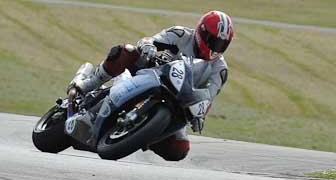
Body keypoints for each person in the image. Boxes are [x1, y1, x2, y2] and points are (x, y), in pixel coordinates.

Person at [68, 10, 234, 161]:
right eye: (213, 41)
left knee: (179, 149)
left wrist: (200, 115)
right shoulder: (181, 34)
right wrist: (149, 46)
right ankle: (87, 84)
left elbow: (208, 96)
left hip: (179, 100)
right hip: (151, 72)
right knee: (125, 51)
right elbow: (151, 40)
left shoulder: (220, 70)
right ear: (201, 32)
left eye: (221, 44)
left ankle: (139, 135)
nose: (215, 47)